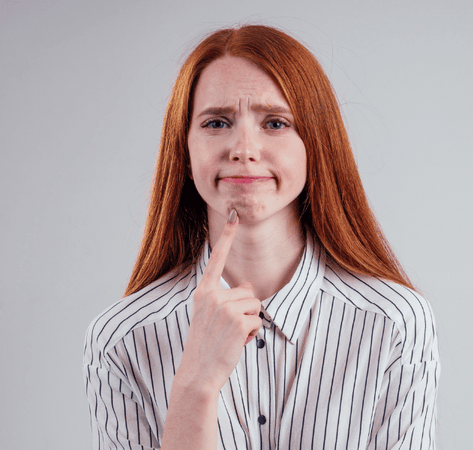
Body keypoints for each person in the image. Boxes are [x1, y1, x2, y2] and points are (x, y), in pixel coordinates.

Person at [83, 24, 439, 450]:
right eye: (216, 122)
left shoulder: (395, 322)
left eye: (275, 123)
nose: (244, 148)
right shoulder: (121, 339)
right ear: (185, 148)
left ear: (316, 142)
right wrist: (196, 386)